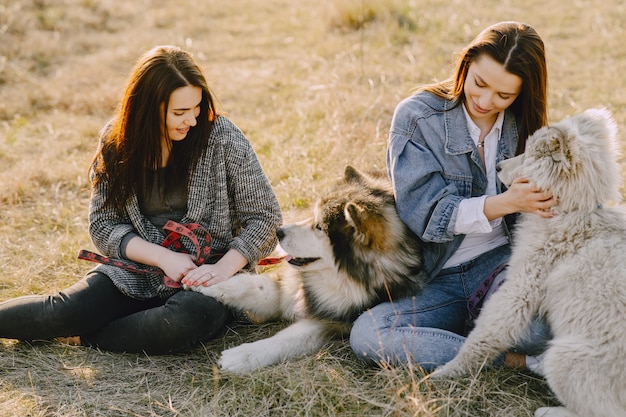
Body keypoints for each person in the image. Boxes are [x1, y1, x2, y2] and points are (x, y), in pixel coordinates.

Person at [0, 45, 283, 354]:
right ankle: (85, 323)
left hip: (207, 277)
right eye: (179, 112)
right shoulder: (117, 140)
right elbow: (103, 224)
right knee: (66, 311)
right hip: (136, 270)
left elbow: (265, 217)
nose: (191, 119)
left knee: (187, 320)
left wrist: (224, 268)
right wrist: (163, 258)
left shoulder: (223, 137)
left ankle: (86, 337)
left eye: (197, 107)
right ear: (148, 108)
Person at [350, 22, 554, 372]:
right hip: (435, 276)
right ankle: (514, 361)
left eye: (504, 96)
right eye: (479, 83)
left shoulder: (526, 125)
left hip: (502, 265)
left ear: (522, 95)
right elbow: (426, 215)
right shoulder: (417, 117)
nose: (486, 101)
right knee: (369, 336)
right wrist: (507, 202)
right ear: (466, 64)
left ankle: (470, 336)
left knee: (538, 330)